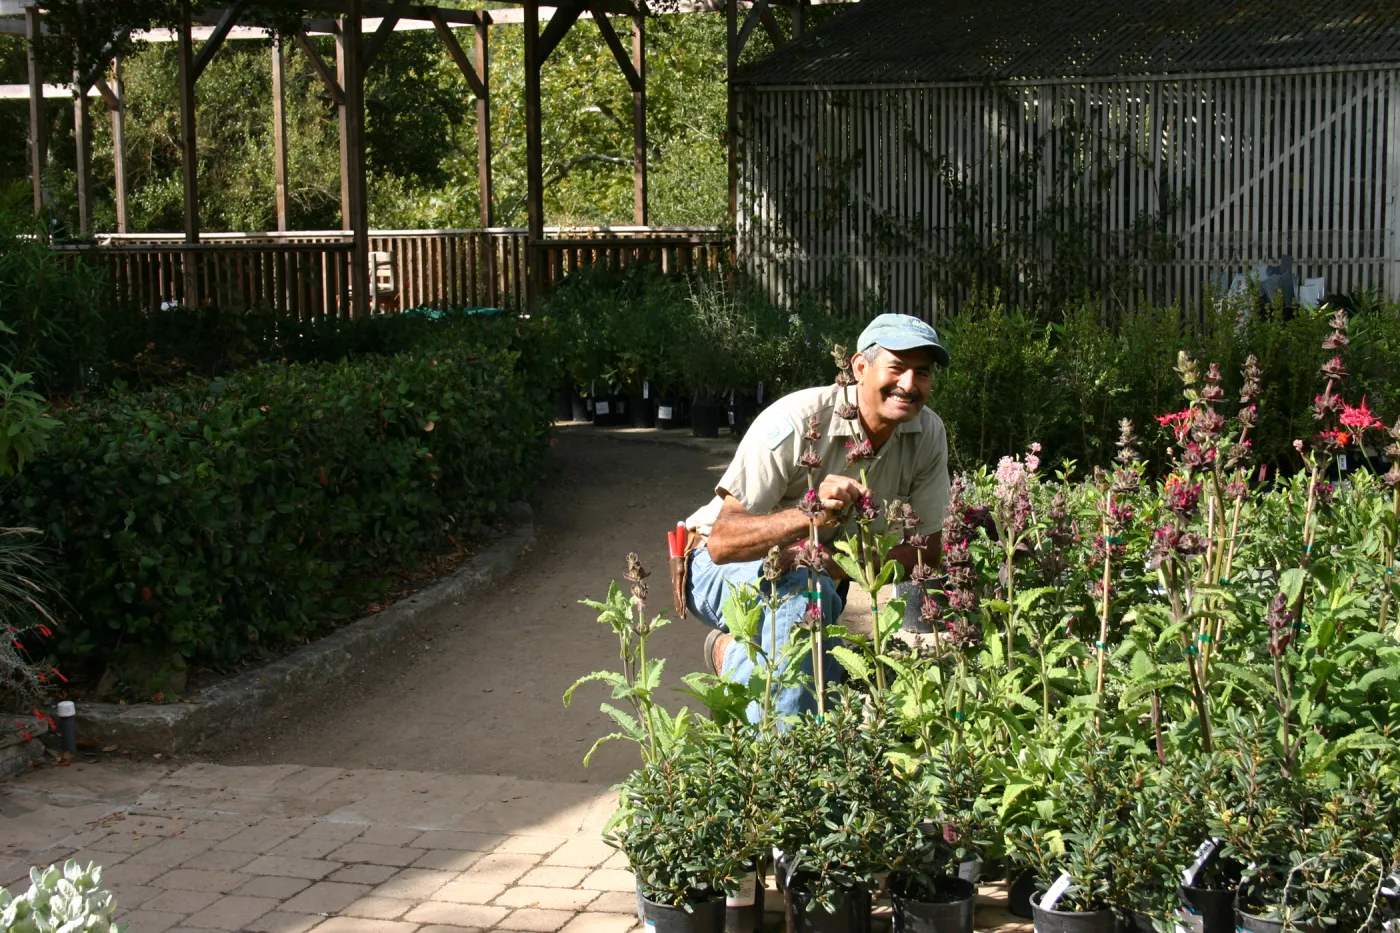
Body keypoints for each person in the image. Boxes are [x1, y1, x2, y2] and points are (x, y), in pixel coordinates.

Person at [681, 313, 951, 719]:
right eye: (896, 367)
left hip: (824, 582)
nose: (909, 385)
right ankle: (778, 761)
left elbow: (928, 551)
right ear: (860, 367)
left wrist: (845, 566)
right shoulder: (797, 420)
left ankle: (735, 655)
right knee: (803, 599)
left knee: (815, 630)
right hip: (714, 570)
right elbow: (722, 543)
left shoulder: (927, 433)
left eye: (922, 373)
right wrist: (807, 516)